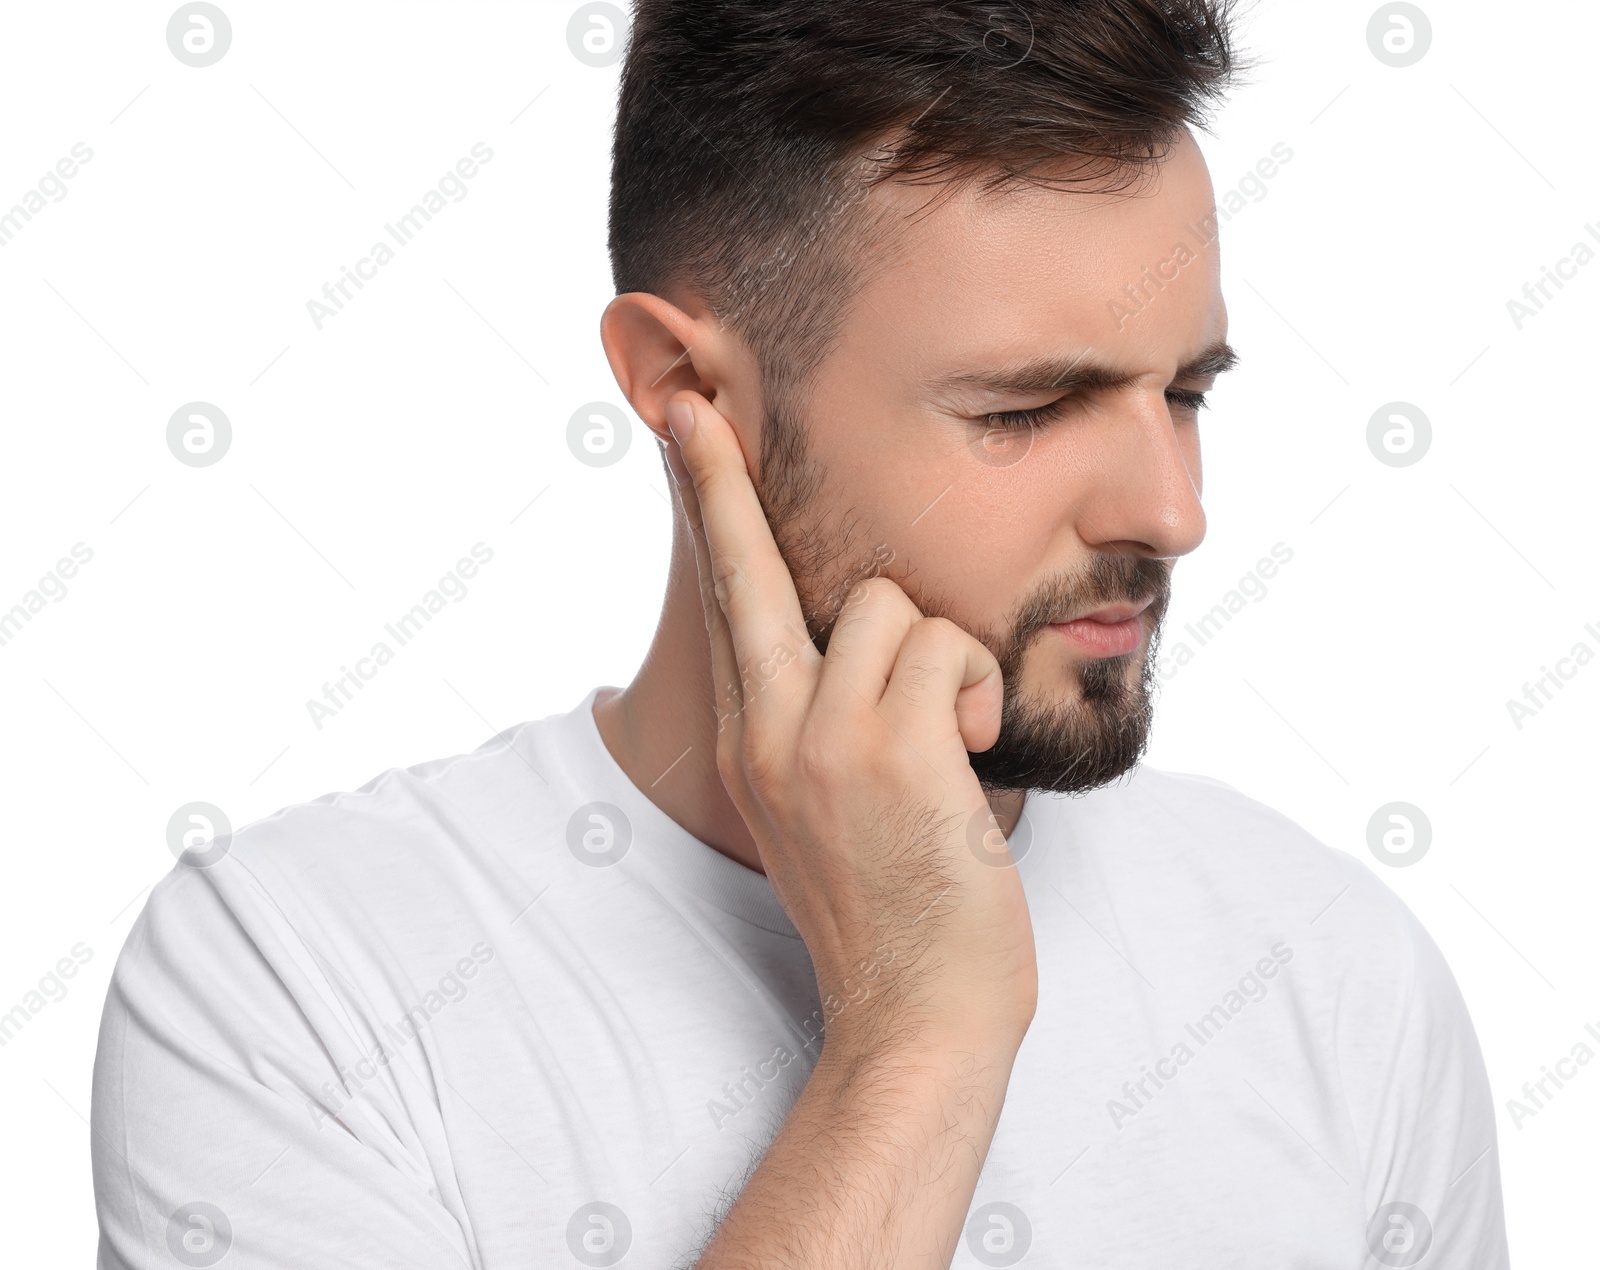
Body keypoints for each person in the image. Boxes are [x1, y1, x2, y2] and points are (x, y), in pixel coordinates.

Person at [92, 2, 1510, 1266]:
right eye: (1023, 409)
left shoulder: (1335, 969)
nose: (1173, 508)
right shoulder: (296, 985)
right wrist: (916, 1044)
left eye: (1184, 391)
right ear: (682, 388)